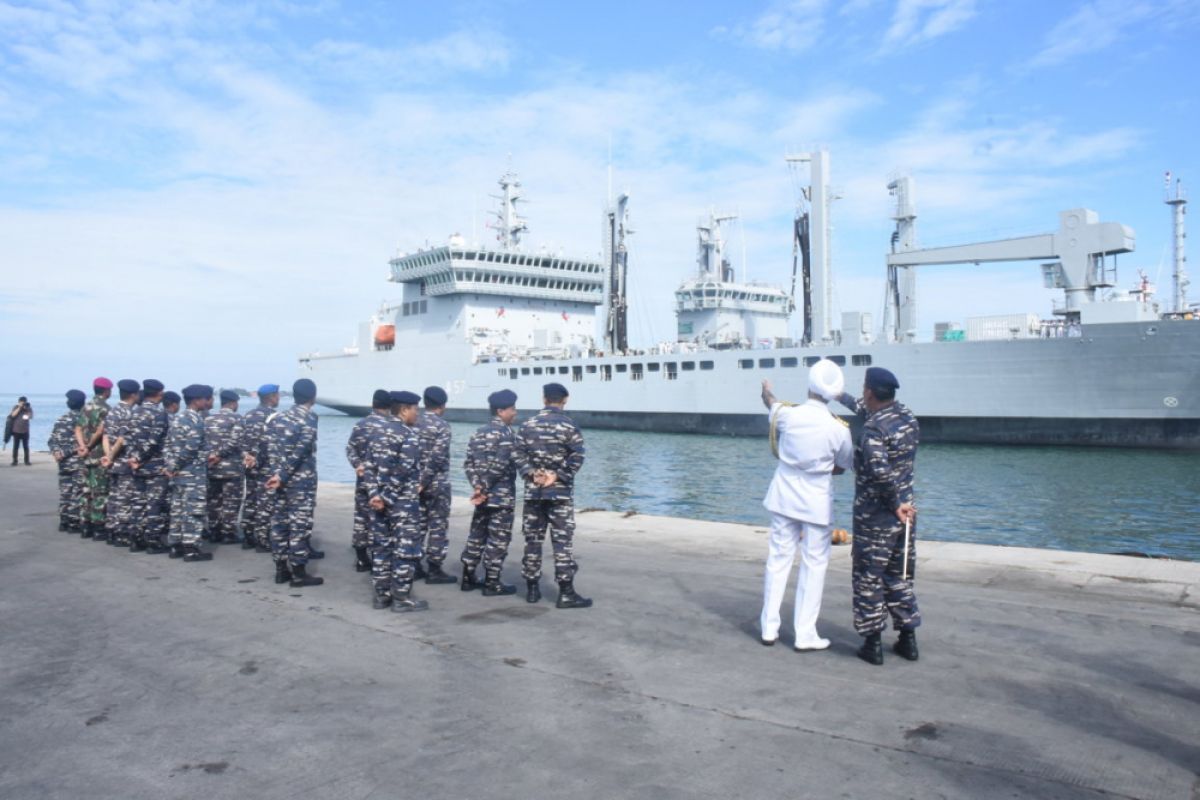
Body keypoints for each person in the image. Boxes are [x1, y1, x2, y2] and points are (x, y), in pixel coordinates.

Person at [758, 361, 853, 651]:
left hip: (784, 495)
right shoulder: (838, 429)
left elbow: (771, 404)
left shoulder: (788, 415)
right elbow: (845, 465)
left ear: (810, 386)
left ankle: (768, 629)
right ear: (833, 393)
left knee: (778, 560)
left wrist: (766, 392)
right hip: (815, 501)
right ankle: (804, 634)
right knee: (814, 565)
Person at [834, 367, 921, 665]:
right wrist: (839, 396)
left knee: (869, 578)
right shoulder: (906, 416)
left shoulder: (872, 431)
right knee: (899, 576)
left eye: (863, 388)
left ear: (870, 391)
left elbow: (880, 473)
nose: (862, 393)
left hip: (877, 519)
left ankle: (872, 644)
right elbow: (865, 408)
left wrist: (893, 502)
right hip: (906, 516)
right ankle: (908, 639)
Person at [514, 382, 590, 608]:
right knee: (562, 543)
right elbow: (577, 456)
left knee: (533, 541)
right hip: (560, 495)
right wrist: (558, 476)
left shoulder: (528, 424)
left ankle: (532, 590)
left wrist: (531, 473)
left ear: (544, 399)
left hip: (534, 493)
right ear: (565, 399)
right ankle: (566, 593)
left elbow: (517, 454)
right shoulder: (570, 426)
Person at [364, 390, 426, 611]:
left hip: (378, 503)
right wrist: (386, 497)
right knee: (405, 550)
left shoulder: (377, 432)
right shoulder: (408, 435)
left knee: (381, 548)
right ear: (404, 410)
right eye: (415, 410)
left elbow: (367, 468)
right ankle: (401, 598)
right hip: (402, 504)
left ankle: (381, 596)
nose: (417, 414)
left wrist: (374, 495)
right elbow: (402, 471)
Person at [264, 378, 323, 588]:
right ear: (313, 397)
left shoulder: (277, 418)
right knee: (299, 525)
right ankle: (298, 572)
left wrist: (275, 475)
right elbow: (301, 449)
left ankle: (281, 570)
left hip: (277, 481)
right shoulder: (309, 418)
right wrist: (283, 475)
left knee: (279, 524)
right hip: (299, 481)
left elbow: (270, 450)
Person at [461, 389, 520, 595]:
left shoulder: (478, 432)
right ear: (500, 411)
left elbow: (468, 464)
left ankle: (468, 577)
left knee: (477, 535)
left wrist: (477, 487)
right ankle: (492, 582)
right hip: (500, 497)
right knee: (498, 539)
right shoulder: (506, 434)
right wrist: (484, 487)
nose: (515, 413)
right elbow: (500, 465)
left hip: (482, 498)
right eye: (512, 409)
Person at [164, 384, 215, 562]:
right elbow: (191, 449)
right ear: (196, 400)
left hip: (178, 475)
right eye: (204, 398)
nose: (206, 401)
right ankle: (191, 549)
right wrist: (176, 466)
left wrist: (170, 466)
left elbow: (168, 446)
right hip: (192, 474)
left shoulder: (177, 419)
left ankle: (175, 545)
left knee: (177, 510)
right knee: (193, 511)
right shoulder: (196, 420)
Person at [346, 389, 394, 573]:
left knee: (361, 517)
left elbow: (350, 449)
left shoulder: (360, 425)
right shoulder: (389, 427)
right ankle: (379, 558)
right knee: (380, 519)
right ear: (389, 406)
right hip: (382, 482)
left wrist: (358, 465)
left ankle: (360, 558)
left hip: (363, 479)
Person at [415, 386, 455, 584]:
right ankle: (434, 569)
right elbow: (437, 458)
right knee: (438, 525)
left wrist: (418, 482)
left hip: (414, 484)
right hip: (436, 484)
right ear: (443, 405)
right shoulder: (442, 426)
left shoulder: (413, 422)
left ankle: (414, 565)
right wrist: (425, 481)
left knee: (418, 524)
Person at [128, 379, 170, 553]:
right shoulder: (159, 414)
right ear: (159, 393)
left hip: (136, 466)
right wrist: (138, 457)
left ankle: (136, 538)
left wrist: (132, 457)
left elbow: (128, 438)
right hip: (154, 466)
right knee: (155, 504)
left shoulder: (134, 412)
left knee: (138, 502)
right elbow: (154, 441)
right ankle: (152, 540)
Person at [100, 379, 141, 547]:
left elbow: (105, 436)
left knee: (114, 497)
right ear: (133, 394)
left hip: (113, 461)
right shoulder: (129, 413)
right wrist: (110, 456)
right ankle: (122, 534)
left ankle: (111, 529)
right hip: (123, 461)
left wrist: (107, 456)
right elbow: (121, 439)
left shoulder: (113, 411)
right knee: (125, 499)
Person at [240, 384, 279, 552]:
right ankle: (262, 539)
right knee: (265, 502)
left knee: (250, 498)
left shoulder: (248, 415)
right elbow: (271, 442)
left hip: (249, 464)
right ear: (271, 397)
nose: (278, 399)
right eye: (277, 395)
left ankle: (247, 535)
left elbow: (240, 439)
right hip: (266, 465)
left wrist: (247, 457)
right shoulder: (274, 416)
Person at [206, 390, 246, 545]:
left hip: (212, 467)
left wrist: (212, 456)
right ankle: (228, 533)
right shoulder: (237, 418)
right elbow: (235, 441)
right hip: (231, 469)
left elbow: (204, 441)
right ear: (233, 402)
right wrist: (220, 454)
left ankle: (214, 530)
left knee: (214, 501)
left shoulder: (208, 418)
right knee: (231, 501)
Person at [74, 378, 112, 539]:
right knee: (100, 492)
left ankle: (85, 525)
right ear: (106, 391)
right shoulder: (105, 408)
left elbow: (78, 428)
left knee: (86, 491)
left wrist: (82, 446)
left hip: (84, 456)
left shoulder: (86, 407)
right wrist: (89, 446)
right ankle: (98, 527)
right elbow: (101, 432)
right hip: (97, 455)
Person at [48, 390, 87, 532]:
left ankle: (64, 521)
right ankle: (73, 522)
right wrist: (64, 452)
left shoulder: (61, 419)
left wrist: (56, 452)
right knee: (77, 493)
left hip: (63, 462)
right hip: (76, 462)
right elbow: (83, 443)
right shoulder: (82, 420)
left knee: (65, 492)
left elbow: (51, 440)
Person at [8, 397, 33, 465]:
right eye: (21, 402)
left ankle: (27, 461)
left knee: (26, 447)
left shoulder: (28, 408)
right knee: (15, 446)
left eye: (23, 402)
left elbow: (30, 417)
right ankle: (15, 461)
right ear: (19, 402)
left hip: (25, 430)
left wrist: (26, 409)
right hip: (16, 430)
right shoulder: (15, 407)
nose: (23, 404)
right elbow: (12, 415)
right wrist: (19, 408)